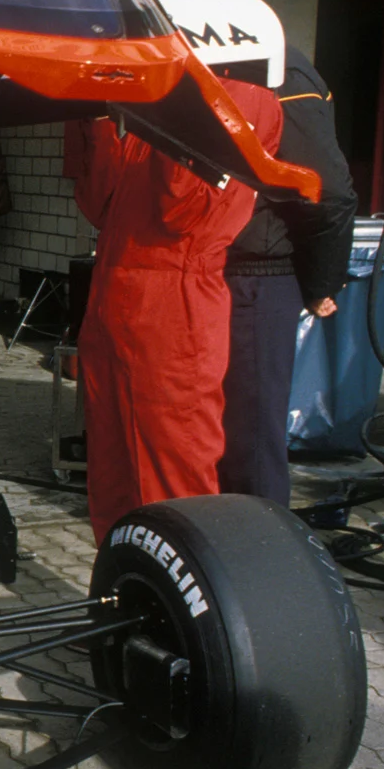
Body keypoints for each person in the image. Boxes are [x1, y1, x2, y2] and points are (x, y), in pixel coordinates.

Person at [64, 76, 284, 545]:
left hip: (175, 307)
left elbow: (180, 209)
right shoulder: (156, 99)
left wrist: (171, 101)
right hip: (113, 297)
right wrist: (96, 115)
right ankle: (124, 588)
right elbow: (100, 202)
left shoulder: (243, 95)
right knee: (111, 480)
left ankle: (186, 606)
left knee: (174, 481)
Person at [218, 45, 356, 505]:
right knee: (212, 431)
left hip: (255, 271)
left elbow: (328, 191)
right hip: (213, 268)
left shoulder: (278, 70)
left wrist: (321, 280)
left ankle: (262, 551)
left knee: (250, 435)